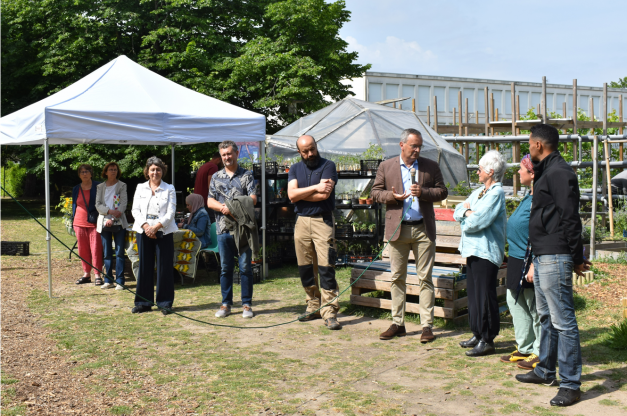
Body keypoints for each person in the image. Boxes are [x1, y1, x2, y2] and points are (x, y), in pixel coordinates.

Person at [515, 124, 591, 407]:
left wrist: (576, 257)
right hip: (543, 254)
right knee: (546, 316)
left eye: (529, 144)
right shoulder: (548, 171)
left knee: (563, 322)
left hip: (556, 254)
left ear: (538, 145)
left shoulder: (559, 173)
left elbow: (570, 216)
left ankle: (570, 384)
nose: (528, 148)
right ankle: (545, 370)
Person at [371, 128, 448, 343]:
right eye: (414, 145)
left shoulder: (430, 166)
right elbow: (375, 193)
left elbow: (442, 192)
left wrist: (423, 192)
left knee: (425, 278)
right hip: (399, 229)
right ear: (402, 145)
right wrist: (392, 196)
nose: (417, 150)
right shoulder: (386, 166)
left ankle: (426, 326)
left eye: (419, 146)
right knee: (397, 277)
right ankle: (398, 323)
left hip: (423, 229)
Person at [454, 150, 507, 357]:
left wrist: (467, 216)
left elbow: (478, 222)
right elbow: (458, 209)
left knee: (485, 295)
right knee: (474, 295)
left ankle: (488, 338)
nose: (477, 172)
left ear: (490, 171)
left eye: (480, 169)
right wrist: (467, 212)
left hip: (486, 251)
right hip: (473, 250)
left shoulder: (496, 193)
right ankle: (477, 332)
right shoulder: (479, 192)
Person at [287, 135, 341, 330]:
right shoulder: (295, 168)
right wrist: (314, 188)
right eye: (305, 151)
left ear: (316, 147)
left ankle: (330, 312)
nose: (310, 154)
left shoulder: (328, 165)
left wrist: (301, 193)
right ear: (299, 152)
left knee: (326, 267)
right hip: (301, 221)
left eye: (312, 149)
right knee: (305, 267)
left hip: (322, 220)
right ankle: (313, 306)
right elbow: (291, 195)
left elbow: (324, 195)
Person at [207, 141, 257, 319]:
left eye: (229, 153)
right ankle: (226, 304)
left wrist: (232, 207)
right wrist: (222, 208)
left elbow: (253, 199)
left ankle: (246, 304)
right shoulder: (216, 177)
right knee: (225, 268)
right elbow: (209, 200)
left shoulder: (247, 175)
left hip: (243, 229)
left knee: (245, 268)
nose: (227, 157)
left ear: (236, 153)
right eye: (224, 155)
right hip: (222, 229)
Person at [500, 155, 541, 369]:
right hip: (516, 257)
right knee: (514, 301)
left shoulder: (539, 199)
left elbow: (539, 234)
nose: (518, 173)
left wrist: (534, 263)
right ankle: (525, 346)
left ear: (532, 174)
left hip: (528, 260)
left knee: (534, 305)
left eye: (522, 169)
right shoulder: (528, 196)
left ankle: (539, 352)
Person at [131, 156, 178, 315]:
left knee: (164, 267)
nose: (155, 172)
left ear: (162, 171)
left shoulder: (169, 188)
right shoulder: (140, 187)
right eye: (152, 169)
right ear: (147, 171)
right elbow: (135, 210)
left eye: (158, 169)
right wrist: (146, 227)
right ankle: (143, 303)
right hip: (143, 230)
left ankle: (165, 303)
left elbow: (171, 213)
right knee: (144, 266)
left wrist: (156, 227)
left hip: (163, 231)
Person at [95, 162, 129, 290]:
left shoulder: (122, 185)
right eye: (111, 169)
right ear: (106, 172)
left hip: (119, 222)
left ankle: (120, 280)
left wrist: (113, 218)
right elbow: (98, 205)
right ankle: (108, 280)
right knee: (107, 252)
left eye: (115, 169)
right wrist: (109, 212)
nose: (113, 171)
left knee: (119, 252)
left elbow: (123, 205)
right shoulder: (100, 187)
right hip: (104, 222)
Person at [72, 164, 104, 285]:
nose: (84, 174)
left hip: (94, 222)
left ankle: (97, 275)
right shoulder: (76, 188)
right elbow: (75, 204)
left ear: (91, 173)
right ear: (79, 174)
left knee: (96, 248)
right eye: (82, 172)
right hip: (79, 222)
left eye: (86, 171)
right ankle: (86, 273)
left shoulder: (99, 186)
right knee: (83, 249)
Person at [194, 152, 223, 221]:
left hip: (198, 200)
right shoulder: (213, 167)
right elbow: (210, 185)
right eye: (223, 162)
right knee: (213, 223)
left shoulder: (204, 166)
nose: (223, 165)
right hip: (206, 201)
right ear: (219, 159)